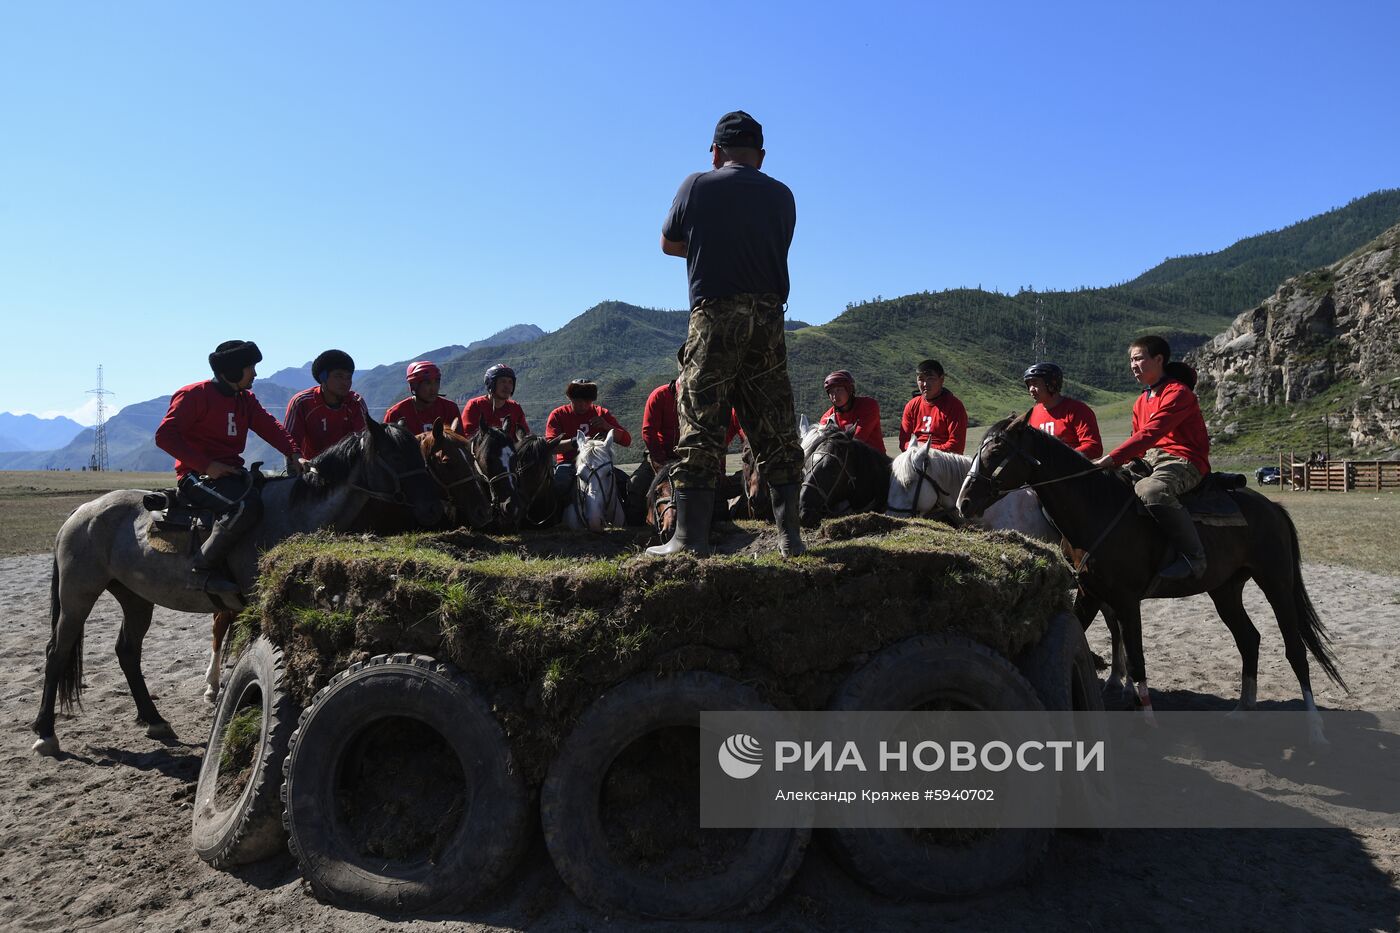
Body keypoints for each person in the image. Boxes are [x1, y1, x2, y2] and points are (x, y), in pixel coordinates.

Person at [650, 109, 805, 557]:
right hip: (770, 316)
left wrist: (707, 246)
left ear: (715, 152)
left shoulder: (696, 184)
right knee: (775, 420)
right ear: (760, 155)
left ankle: (688, 538)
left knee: (700, 417)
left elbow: (669, 243)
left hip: (716, 314)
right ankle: (790, 537)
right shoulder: (782, 195)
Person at [154, 340, 309, 594]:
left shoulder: (245, 400)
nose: (256, 374)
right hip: (196, 476)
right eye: (251, 368)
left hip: (231, 474)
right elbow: (165, 436)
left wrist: (294, 454)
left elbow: (269, 426)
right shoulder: (194, 395)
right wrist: (207, 465)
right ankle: (200, 569)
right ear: (233, 370)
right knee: (244, 506)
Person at [1092, 335, 1210, 581]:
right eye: (1131, 360)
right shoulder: (1141, 401)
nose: (1133, 365)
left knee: (1151, 491)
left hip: (1183, 459)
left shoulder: (1178, 393)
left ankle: (1193, 557)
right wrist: (1117, 466)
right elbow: (1139, 441)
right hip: (1150, 460)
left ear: (1158, 359)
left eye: (1139, 358)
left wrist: (1112, 458)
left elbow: (1151, 433)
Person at [628, 371, 741, 524]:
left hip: (692, 458)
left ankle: (718, 525)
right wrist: (661, 464)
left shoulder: (701, 402)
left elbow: (713, 437)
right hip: (661, 457)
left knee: (716, 489)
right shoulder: (659, 396)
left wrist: (719, 469)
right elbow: (648, 432)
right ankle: (635, 526)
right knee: (636, 484)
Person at [544, 379, 632, 508]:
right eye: (578, 401)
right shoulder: (558, 415)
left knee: (627, 483)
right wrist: (576, 442)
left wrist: (606, 426)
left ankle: (629, 516)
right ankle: (556, 519)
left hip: (597, 464)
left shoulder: (601, 413)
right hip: (568, 463)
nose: (583, 405)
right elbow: (551, 447)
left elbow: (626, 440)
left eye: (587, 401)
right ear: (570, 398)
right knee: (559, 484)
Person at [284, 349, 369, 459]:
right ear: (323, 377)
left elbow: (366, 443)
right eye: (338, 376)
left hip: (350, 470)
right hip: (311, 470)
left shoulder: (356, 403)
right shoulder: (301, 403)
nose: (345, 382)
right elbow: (291, 445)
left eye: (349, 377)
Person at [1023, 362, 1103, 458]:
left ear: (1052, 384)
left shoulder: (1077, 410)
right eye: (1029, 384)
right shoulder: (1032, 414)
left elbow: (1094, 447)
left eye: (1035, 383)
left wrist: (1058, 458)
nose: (1031, 389)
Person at [899, 360, 967, 454]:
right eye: (921, 379)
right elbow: (904, 442)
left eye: (930, 379)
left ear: (941, 379)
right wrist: (918, 450)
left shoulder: (954, 406)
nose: (925, 384)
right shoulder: (912, 405)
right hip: (915, 456)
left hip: (944, 460)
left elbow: (956, 446)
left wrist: (924, 449)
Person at [384, 361, 462, 434]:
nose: (433, 388)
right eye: (428, 383)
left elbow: (461, 442)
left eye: (436, 382)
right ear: (413, 386)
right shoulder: (396, 413)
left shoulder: (450, 409)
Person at [818, 370, 886, 455]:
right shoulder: (827, 418)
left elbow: (858, 439)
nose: (835, 396)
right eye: (831, 392)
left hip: (875, 462)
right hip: (845, 464)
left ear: (850, 390)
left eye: (839, 390)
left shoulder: (868, 405)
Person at [459, 363, 531, 436]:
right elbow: (467, 436)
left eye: (510, 382)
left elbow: (525, 438)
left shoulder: (515, 408)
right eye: (503, 381)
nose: (507, 386)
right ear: (491, 384)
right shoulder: (475, 405)